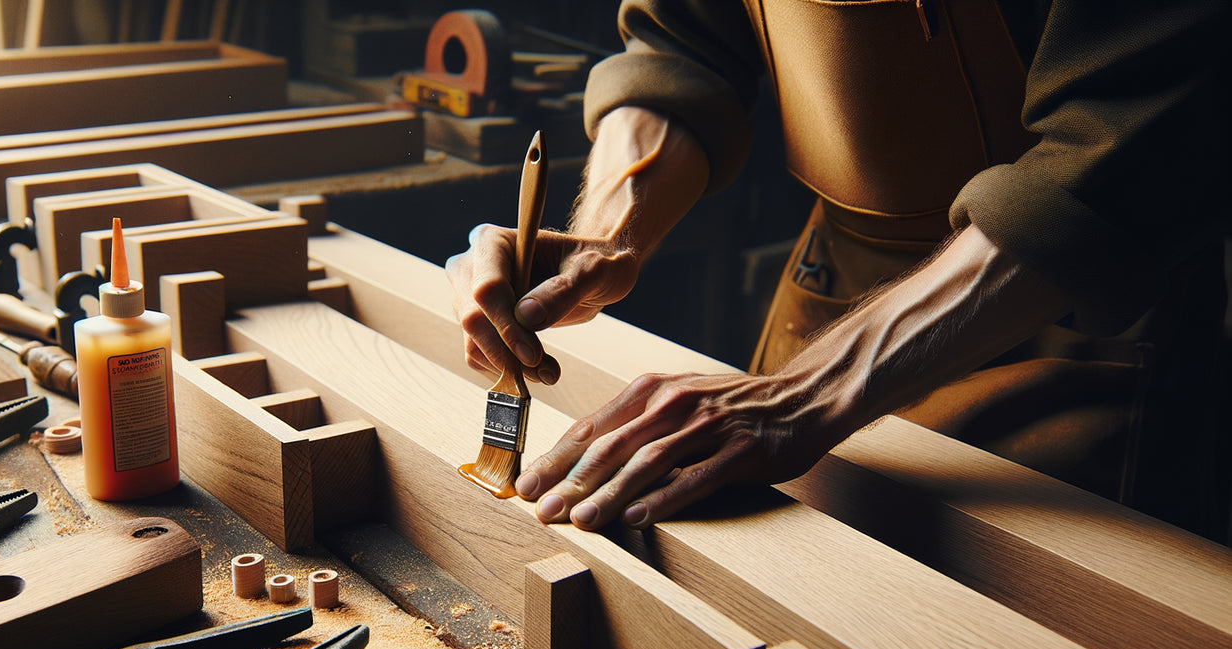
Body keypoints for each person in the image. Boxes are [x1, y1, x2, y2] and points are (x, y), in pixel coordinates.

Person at [446, 0, 1230, 539]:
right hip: (829, 296)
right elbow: (685, 42)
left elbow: (1119, 151)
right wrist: (604, 238)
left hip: (1073, 330)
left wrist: (800, 397)